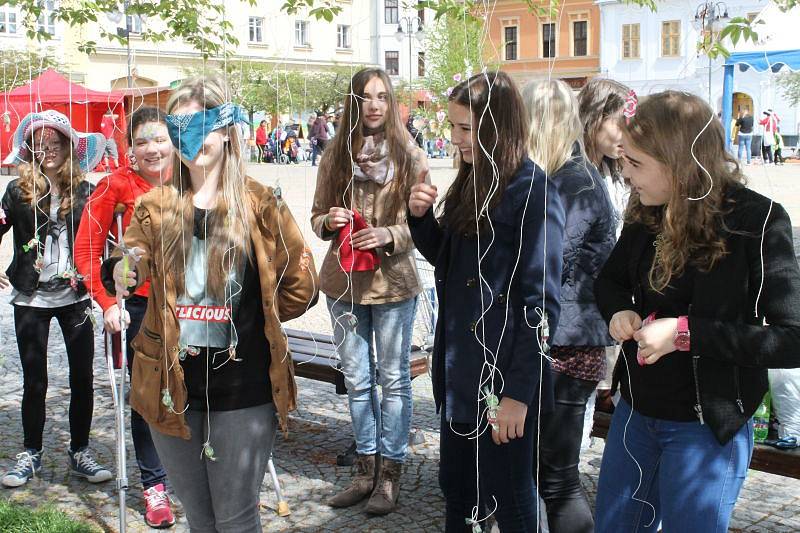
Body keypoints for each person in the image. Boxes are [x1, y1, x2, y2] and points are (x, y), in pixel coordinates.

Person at [104, 76, 318, 532]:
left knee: (237, 519)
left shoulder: (262, 204)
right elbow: (133, 254)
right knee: (200, 519)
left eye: (202, 124)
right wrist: (125, 268)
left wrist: (260, 312)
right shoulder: (156, 205)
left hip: (243, 390)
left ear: (226, 131)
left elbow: (300, 285)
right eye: (178, 127)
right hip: (170, 386)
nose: (192, 138)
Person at [593, 90, 800, 532]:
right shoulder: (648, 210)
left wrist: (685, 333)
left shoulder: (757, 222)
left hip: (705, 429)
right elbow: (609, 281)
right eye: (624, 162)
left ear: (679, 163)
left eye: (635, 164)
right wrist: (618, 313)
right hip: (636, 414)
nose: (626, 176)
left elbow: (791, 338)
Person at [408, 71, 565, 531]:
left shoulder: (533, 191)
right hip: (462, 376)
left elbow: (541, 304)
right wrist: (420, 220)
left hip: (504, 383)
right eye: (453, 127)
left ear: (497, 127)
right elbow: (453, 265)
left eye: (465, 129)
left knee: (512, 503)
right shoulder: (473, 180)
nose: (455, 140)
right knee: (458, 493)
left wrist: (518, 394)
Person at [312, 67, 427, 516]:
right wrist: (330, 221)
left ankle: (391, 475)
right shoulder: (334, 156)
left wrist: (389, 235)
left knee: (393, 379)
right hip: (343, 284)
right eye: (366, 97)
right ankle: (364, 471)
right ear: (354, 103)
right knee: (358, 381)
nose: (375, 105)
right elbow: (317, 217)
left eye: (382, 96)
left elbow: (423, 228)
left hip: (394, 283)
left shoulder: (411, 156)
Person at [74, 106, 176, 528]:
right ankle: (154, 486)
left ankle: (198, 471)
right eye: (142, 141)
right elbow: (86, 250)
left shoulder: (192, 181)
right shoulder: (115, 185)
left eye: (160, 139)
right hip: (137, 307)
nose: (152, 149)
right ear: (130, 148)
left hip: (190, 306)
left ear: (173, 142)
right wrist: (107, 302)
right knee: (147, 399)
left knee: (198, 391)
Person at [522, 79, 616, 533]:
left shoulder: (573, 182)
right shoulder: (564, 175)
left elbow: (548, 266)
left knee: (556, 478)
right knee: (547, 474)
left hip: (568, 344)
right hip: (564, 340)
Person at [0, 110, 112, 488]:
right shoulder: (17, 191)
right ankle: (30, 451)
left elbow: (106, 240)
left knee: (82, 377)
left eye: (55, 142)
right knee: (35, 380)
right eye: (39, 143)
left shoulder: (85, 192)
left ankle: (79, 450)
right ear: (30, 148)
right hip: (30, 296)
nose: (47, 149)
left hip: (75, 296)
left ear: (68, 147)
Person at [577, 77, 630, 415]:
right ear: (596, 118)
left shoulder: (618, 169)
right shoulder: (575, 173)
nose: (625, 133)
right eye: (619, 122)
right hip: (583, 305)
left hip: (613, 300)